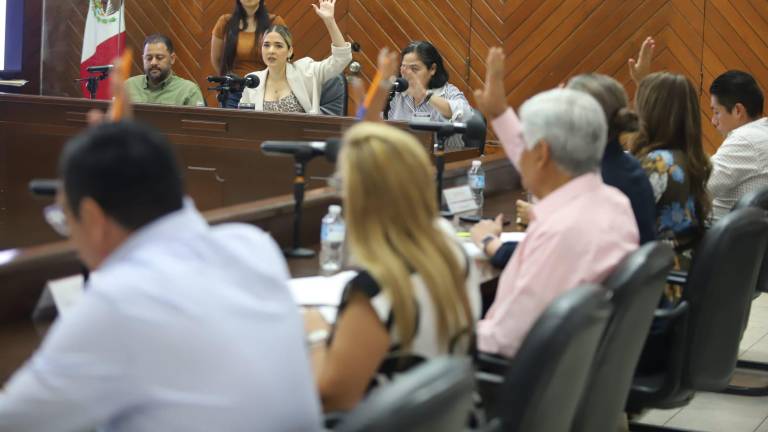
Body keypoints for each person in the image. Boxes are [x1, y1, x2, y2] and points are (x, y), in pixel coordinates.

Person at [0, 103, 321, 429]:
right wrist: (127, 153)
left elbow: (13, 421)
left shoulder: (118, 301)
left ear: (93, 218)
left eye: (65, 218)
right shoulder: (252, 246)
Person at [470, 47, 638, 358]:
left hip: (507, 374)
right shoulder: (615, 203)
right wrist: (500, 113)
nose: (519, 154)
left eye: (524, 144)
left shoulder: (562, 233)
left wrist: (438, 332)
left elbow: (504, 340)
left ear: (541, 153)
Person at [304, 122, 481, 411]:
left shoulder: (377, 288)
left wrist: (315, 332)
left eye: (342, 185)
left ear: (361, 198)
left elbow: (332, 400)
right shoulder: (451, 247)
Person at [476, 73, 657, 269]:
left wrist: (489, 242)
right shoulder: (625, 167)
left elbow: (546, 257)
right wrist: (500, 114)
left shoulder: (595, 181)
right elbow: (533, 158)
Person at [627, 38, 712, 304]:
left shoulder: (657, 164)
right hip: (680, 278)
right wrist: (644, 84)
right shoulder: (688, 158)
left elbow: (617, 223)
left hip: (655, 290)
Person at [239, 0, 352, 114]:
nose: (271, 51)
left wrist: (330, 21)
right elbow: (244, 120)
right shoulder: (252, 80)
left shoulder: (306, 71)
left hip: (303, 126)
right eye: (266, 45)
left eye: (278, 46)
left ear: (289, 51)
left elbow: (341, 59)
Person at [386, 41, 473, 150]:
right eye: (404, 67)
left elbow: (467, 116)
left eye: (414, 69)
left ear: (432, 69)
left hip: (443, 158)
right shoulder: (396, 94)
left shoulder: (448, 92)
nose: (407, 74)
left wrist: (425, 95)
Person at [707, 70, 768, 221]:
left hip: (714, 232)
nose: (713, 121)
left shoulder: (745, 140)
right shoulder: (761, 132)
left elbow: (697, 185)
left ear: (738, 110)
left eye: (716, 112)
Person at [211, 0, 286, 108]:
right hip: (233, 91)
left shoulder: (275, 22)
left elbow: (283, 58)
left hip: (266, 90)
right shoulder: (225, 22)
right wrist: (231, 80)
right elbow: (216, 59)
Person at [124, 34, 205, 106]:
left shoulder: (188, 91)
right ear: (143, 59)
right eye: (149, 58)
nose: (153, 63)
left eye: (159, 58)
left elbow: (197, 119)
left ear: (172, 59)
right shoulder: (129, 86)